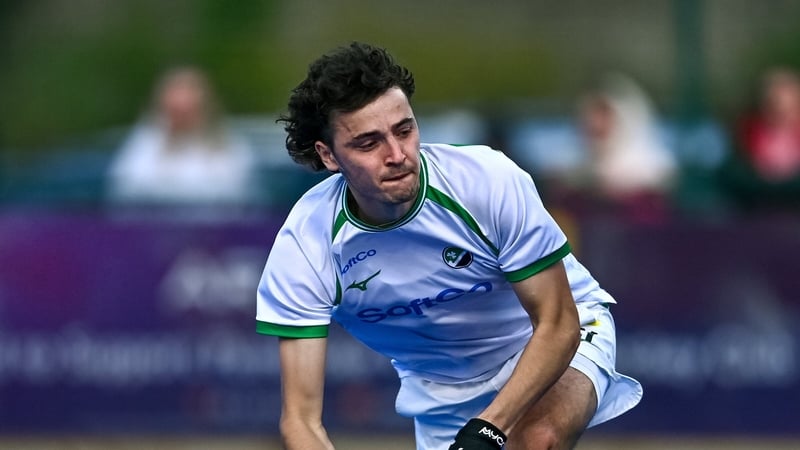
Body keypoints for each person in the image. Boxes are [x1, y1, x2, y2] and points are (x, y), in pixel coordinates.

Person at [256, 42, 642, 450]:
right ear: (328, 155)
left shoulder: (487, 181)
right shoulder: (305, 245)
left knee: (535, 440)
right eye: (368, 143)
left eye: (404, 130)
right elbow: (300, 421)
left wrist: (487, 430)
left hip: (557, 336)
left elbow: (558, 324)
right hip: (442, 394)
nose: (397, 155)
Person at [107, 66, 258, 207]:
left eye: (188, 109)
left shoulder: (228, 144)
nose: (182, 116)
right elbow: (125, 189)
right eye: (176, 110)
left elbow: (235, 194)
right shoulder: (146, 142)